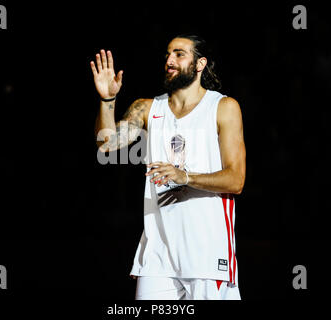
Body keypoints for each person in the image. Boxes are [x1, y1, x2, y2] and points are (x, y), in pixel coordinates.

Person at [91, 34, 246, 300]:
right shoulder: (148, 107)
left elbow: (236, 180)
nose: (169, 61)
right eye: (167, 55)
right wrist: (107, 101)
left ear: (200, 64)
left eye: (179, 54)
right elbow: (106, 145)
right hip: (158, 255)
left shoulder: (223, 107)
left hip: (207, 252)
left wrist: (184, 176)